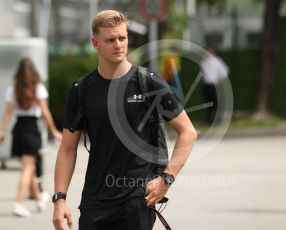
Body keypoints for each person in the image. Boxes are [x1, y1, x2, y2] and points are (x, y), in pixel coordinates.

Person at [52, 10, 197, 230]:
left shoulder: (148, 83)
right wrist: (59, 198)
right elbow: (67, 149)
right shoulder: (81, 90)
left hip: (137, 200)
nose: (118, 44)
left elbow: (188, 132)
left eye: (122, 38)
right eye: (110, 40)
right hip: (95, 201)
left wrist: (166, 180)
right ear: (95, 42)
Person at [0, 58, 62, 217]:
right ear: (33, 71)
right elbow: (45, 111)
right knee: (28, 169)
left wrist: (2, 131)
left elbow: (7, 113)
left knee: (31, 167)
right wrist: (53, 130)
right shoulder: (37, 87)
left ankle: (39, 198)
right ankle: (19, 203)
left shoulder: (13, 89)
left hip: (18, 129)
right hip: (31, 129)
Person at [200, 47, 229, 124]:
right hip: (206, 85)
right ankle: (209, 120)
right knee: (208, 103)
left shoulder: (216, 60)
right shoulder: (204, 61)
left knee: (216, 103)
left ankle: (217, 120)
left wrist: (218, 79)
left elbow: (225, 70)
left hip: (213, 85)